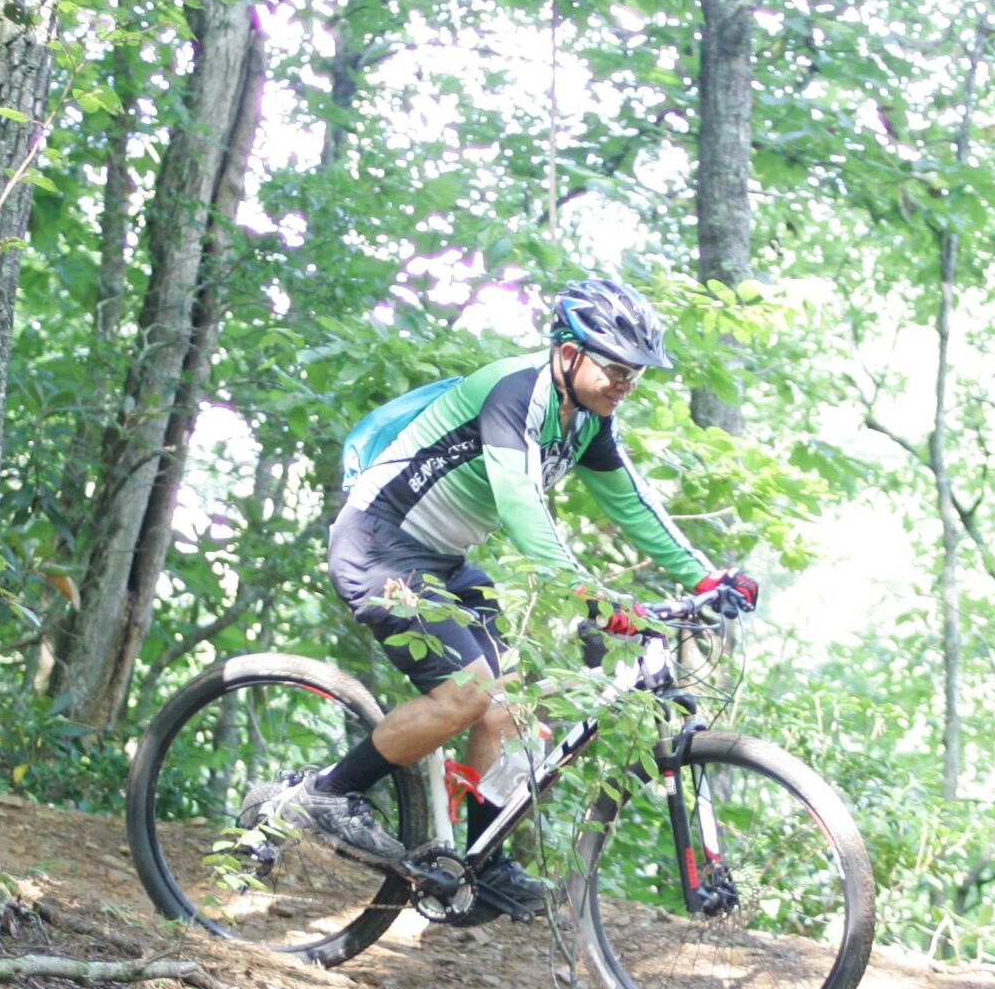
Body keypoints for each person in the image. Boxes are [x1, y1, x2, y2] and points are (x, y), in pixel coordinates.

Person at [242, 279, 759, 921]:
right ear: (568, 353)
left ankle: (485, 866)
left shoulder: (588, 420)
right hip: (379, 546)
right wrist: (593, 595)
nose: (626, 381)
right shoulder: (515, 392)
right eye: (615, 366)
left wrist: (706, 576)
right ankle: (326, 795)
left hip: (444, 563)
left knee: (512, 709)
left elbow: (631, 501)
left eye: (636, 372)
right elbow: (520, 505)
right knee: (468, 694)